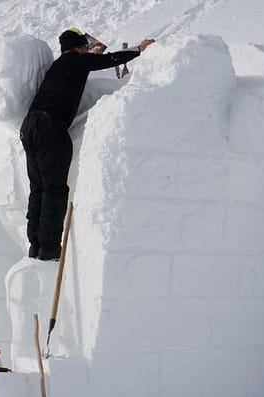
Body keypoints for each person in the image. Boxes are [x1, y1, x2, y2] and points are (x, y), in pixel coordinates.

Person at [20, 29, 155, 260]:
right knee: (54, 189)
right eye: (85, 46)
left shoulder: (58, 66)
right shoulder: (76, 61)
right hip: (51, 126)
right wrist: (138, 49)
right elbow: (109, 59)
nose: (88, 49)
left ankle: (35, 246)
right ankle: (50, 249)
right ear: (79, 47)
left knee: (39, 189)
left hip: (30, 127)